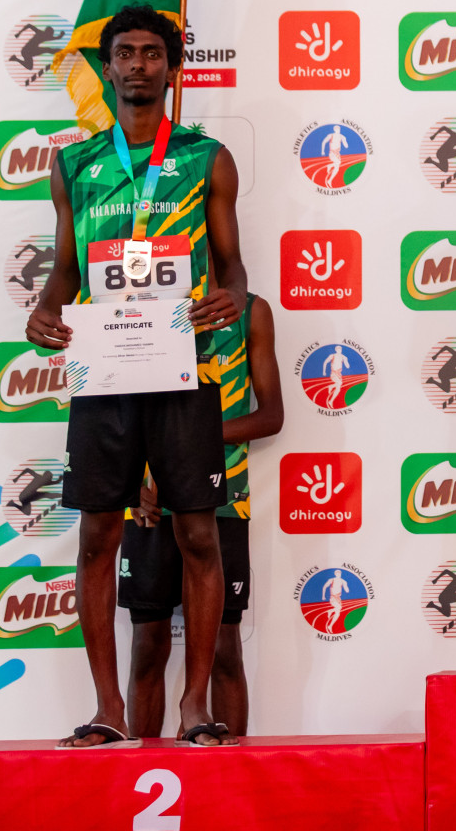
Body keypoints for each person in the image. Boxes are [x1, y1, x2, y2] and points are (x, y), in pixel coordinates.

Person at [25, 3, 248, 748]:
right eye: (125, 53)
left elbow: (233, 266)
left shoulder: (207, 157)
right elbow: (64, 270)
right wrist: (44, 309)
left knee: (199, 535)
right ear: (107, 67)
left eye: (153, 53)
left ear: (173, 67)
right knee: (97, 538)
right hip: (106, 372)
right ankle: (108, 710)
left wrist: (232, 296)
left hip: (184, 368)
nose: (138, 66)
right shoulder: (75, 164)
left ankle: (194, 708)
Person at [119, 294, 283, 739]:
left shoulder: (250, 310)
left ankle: (230, 766)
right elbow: (112, 410)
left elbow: (271, 416)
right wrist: (131, 479)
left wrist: (186, 437)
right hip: (149, 502)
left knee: (225, 648)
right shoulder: (136, 306)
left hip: (222, 499)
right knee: (147, 648)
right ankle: (140, 765)